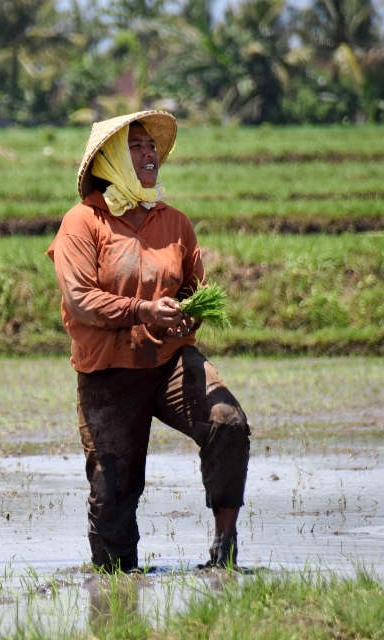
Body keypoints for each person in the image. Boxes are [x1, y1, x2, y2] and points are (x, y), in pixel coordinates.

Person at [46, 111, 251, 572]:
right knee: (113, 490)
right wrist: (142, 310)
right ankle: (115, 585)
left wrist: (184, 317)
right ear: (112, 160)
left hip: (169, 360)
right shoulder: (82, 223)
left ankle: (225, 547)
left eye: (151, 146)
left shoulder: (173, 222)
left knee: (227, 422)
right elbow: (80, 301)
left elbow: (191, 290)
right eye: (135, 146)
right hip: (108, 372)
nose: (149, 153)